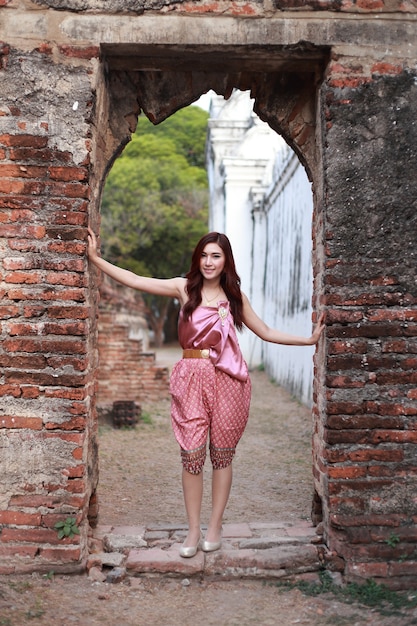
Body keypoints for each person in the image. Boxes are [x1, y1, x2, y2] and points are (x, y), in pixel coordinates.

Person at [87, 228, 325, 558]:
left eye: (216, 255)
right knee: (192, 456)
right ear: (197, 258)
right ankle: (192, 530)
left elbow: (266, 331)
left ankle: (215, 527)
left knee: (222, 455)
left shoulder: (235, 298)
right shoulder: (183, 288)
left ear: (226, 260)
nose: (208, 261)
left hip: (229, 380)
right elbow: (135, 279)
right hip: (191, 377)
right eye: (204, 255)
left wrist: (308, 340)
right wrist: (96, 259)